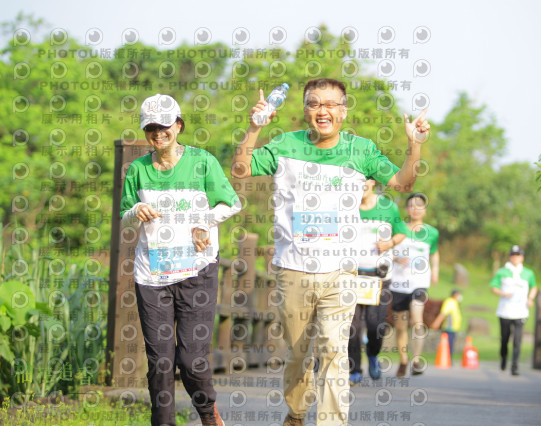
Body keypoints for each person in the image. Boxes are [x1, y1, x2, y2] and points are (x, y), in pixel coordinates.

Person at [231, 78, 430, 426]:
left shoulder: (361, 150)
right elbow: (241, 170)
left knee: (335, 351)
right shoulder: (285, 144)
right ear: (306, 110)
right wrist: (253, 128)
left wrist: (414, 147)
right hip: (293, 268)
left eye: (331, 104)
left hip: (340, 270)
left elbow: (403, 184)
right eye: (314, 104)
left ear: (343, 110)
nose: (323, 110)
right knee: (298, 354)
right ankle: (296, 413)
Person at [120, 94, 241, 426]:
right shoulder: (138, 170)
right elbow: (124, 217)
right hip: (152, 275)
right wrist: (136, 211)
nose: (158, 133)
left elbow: (231, 203)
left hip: (196, 271)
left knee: (191, 360)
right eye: (151, 128)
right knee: (160, 361)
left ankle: (207, 414)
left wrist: (204, 222)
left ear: (178, 125)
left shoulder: (202, 162)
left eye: (164, 126)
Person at [348, 180, 408, 386]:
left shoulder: (388, 207)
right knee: (352, 327)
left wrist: (390, 243)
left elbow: (401, 232)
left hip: (379, 277)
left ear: (372, 182)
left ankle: (373, 354)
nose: (360, 185)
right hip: (352, 275)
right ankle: (354, 369)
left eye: (364, 181)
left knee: (375, 325)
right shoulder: (346, 205)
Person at [391, 193, 439, 377]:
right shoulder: (399, 228)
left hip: (419, 282)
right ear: (407, 209)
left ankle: (416, 360)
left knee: (417, 319)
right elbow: (388, 247)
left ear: (425, 210)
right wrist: (395, 257)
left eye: (419, 205)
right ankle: (403, 360)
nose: (415, 209)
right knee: (401, 326)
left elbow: (434, 252)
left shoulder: (432, 233)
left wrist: (435, 270)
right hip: (399, 282)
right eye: (411, 205)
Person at [490, 244, 537, 376]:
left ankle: (515, 365)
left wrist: (530, 298)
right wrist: (503, 294)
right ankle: (504, 357)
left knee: (517, 340)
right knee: (504, 339)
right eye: (513, 255)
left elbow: (534, 287)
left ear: (522, 257)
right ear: (510, 257)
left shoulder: (528, 273)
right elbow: (493, 287)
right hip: (505, 310)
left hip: (521, 311)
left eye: (518, 255)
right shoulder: (502, 272)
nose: (515, 258)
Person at [430, 289, 463, 355]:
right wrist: (436, 323)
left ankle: (448, 361)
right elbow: (443, 313)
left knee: (450, 346)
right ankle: (446, 361)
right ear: (455, 295)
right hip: (449, 328)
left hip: (454, 329)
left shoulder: (455, 303)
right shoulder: (450, 302)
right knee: (448, 346)